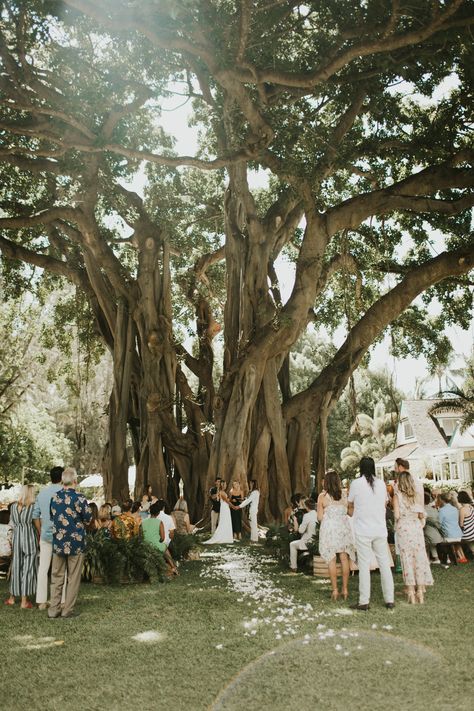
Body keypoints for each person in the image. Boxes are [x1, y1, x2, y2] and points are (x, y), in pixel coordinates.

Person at [348, 456, 395, 611]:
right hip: (380, 529)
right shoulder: (381, 484)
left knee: (364, 565)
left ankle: (364, 601)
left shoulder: (356, 484)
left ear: (361, 468)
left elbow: (350, 503)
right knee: (384, 565)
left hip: (363, 529)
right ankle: (389, 599)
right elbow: (385, 502)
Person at [48, 468, 92, 619]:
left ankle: (53, 610)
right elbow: (88, 519)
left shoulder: (55, 497)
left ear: (62, 480)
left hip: (58, 543)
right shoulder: (79, 498)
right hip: (75, 543)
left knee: (56, 577)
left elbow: (52, 516)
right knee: (73, 578)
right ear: (75, 481)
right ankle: (67, 610)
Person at [393, 471, 433, 603]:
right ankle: (420, 591)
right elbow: (422, 515)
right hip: (416, 528)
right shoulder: (417, 496)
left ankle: (410, 591)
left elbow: (397, 515)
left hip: (404, 528)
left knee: (407, 559)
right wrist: (420, 522)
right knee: (419, 557)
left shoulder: (397, 496)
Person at [317, 470, 356, 601]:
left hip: (330, 530)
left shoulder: (322, 497)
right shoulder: (345, 495)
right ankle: (345, 589)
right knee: (344, 558)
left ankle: (335, 590)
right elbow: (351, 513)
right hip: (343, 528)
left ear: (326, 482)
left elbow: (320, 517)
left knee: (331, 559)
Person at [32, 465, 65, 610]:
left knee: (43, 569)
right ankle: (61, 600)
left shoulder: (42, 494)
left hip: (45, 535)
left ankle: (41, 602)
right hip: (61, 536)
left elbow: (35, 516)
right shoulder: (65, 493)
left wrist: (41, 530)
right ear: (62, 477)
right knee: (61, 570)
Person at [4, 484, 38, 609]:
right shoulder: (33, 507)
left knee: (16, 566)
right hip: (29, 539)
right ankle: (24, 601)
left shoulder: (13, 507)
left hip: (17, 538)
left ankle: (12, 598)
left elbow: (11, 524)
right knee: (28, 568)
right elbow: (36, 523)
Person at [289, 498, 317, 572]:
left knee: (292, 544)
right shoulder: (318, 514)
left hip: (308, 542)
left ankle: (293, 567)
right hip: (317, 541)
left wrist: (295, 521)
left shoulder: (307, 516)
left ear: (307, 507)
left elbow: (301, 531)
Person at [437, 493, 467, 563]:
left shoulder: (442, 510)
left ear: (442, 500)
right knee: (456, 544)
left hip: (449, 536)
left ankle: (447, 558)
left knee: (439, 536)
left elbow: (439, 524)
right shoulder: (455, 509)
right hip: (458, 534)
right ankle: (461, 557)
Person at [423, 491, 443, 563]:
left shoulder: (422, 510)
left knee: (425, 538)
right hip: (438, 534)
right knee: (429, 537)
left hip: (430, 536)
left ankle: (427, 559)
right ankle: (436, 558)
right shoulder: (434, 509)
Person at [458, 490, 474, 555]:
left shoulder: (462, 509)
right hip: (473, 531)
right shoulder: (472, 507)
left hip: (468, 534)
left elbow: (461, 524)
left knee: (462, 537)